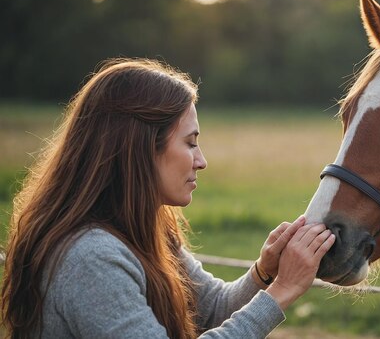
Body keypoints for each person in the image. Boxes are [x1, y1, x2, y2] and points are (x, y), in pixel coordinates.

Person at [1, 58, 336, 339]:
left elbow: (211, 310)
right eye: (190, 142)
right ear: (140, 148)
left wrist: (264, 272)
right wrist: (282, 291)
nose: (201, 160)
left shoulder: (144, 229)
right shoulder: (90, 258)